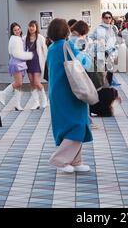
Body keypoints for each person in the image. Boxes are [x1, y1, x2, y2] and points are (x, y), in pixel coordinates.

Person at [47, 18, 93, 173]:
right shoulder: (69, 45)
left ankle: (75, 161)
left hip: (57, 92)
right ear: (66, 31)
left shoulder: (52, 48)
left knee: (67, 126)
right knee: (78, 125)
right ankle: (59, 159)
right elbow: (86, 63)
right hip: (72, 92)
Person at [0, 23, 33, 111]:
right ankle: (4, 93)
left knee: (19, 86)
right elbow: (16, 53)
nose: (17, 31)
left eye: (18, 29)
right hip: (16, 63)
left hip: (21, 63)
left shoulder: (19, 38)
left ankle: (17, 105)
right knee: (19, 83)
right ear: (12, 31)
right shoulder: (15, 39)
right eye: (15, 30)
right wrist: (30, 55)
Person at [23, 20, 48, 110]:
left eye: (33, 26)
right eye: (30, 26)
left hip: (37, 62)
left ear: (36, 27)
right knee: (32, 83)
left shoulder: (40, 38)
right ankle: (36, 102)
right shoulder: (25, 38)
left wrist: (46, 63)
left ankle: (44, 100)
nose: (31, 28)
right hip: (28, 62)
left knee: (37, 82)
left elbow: (45, 51)